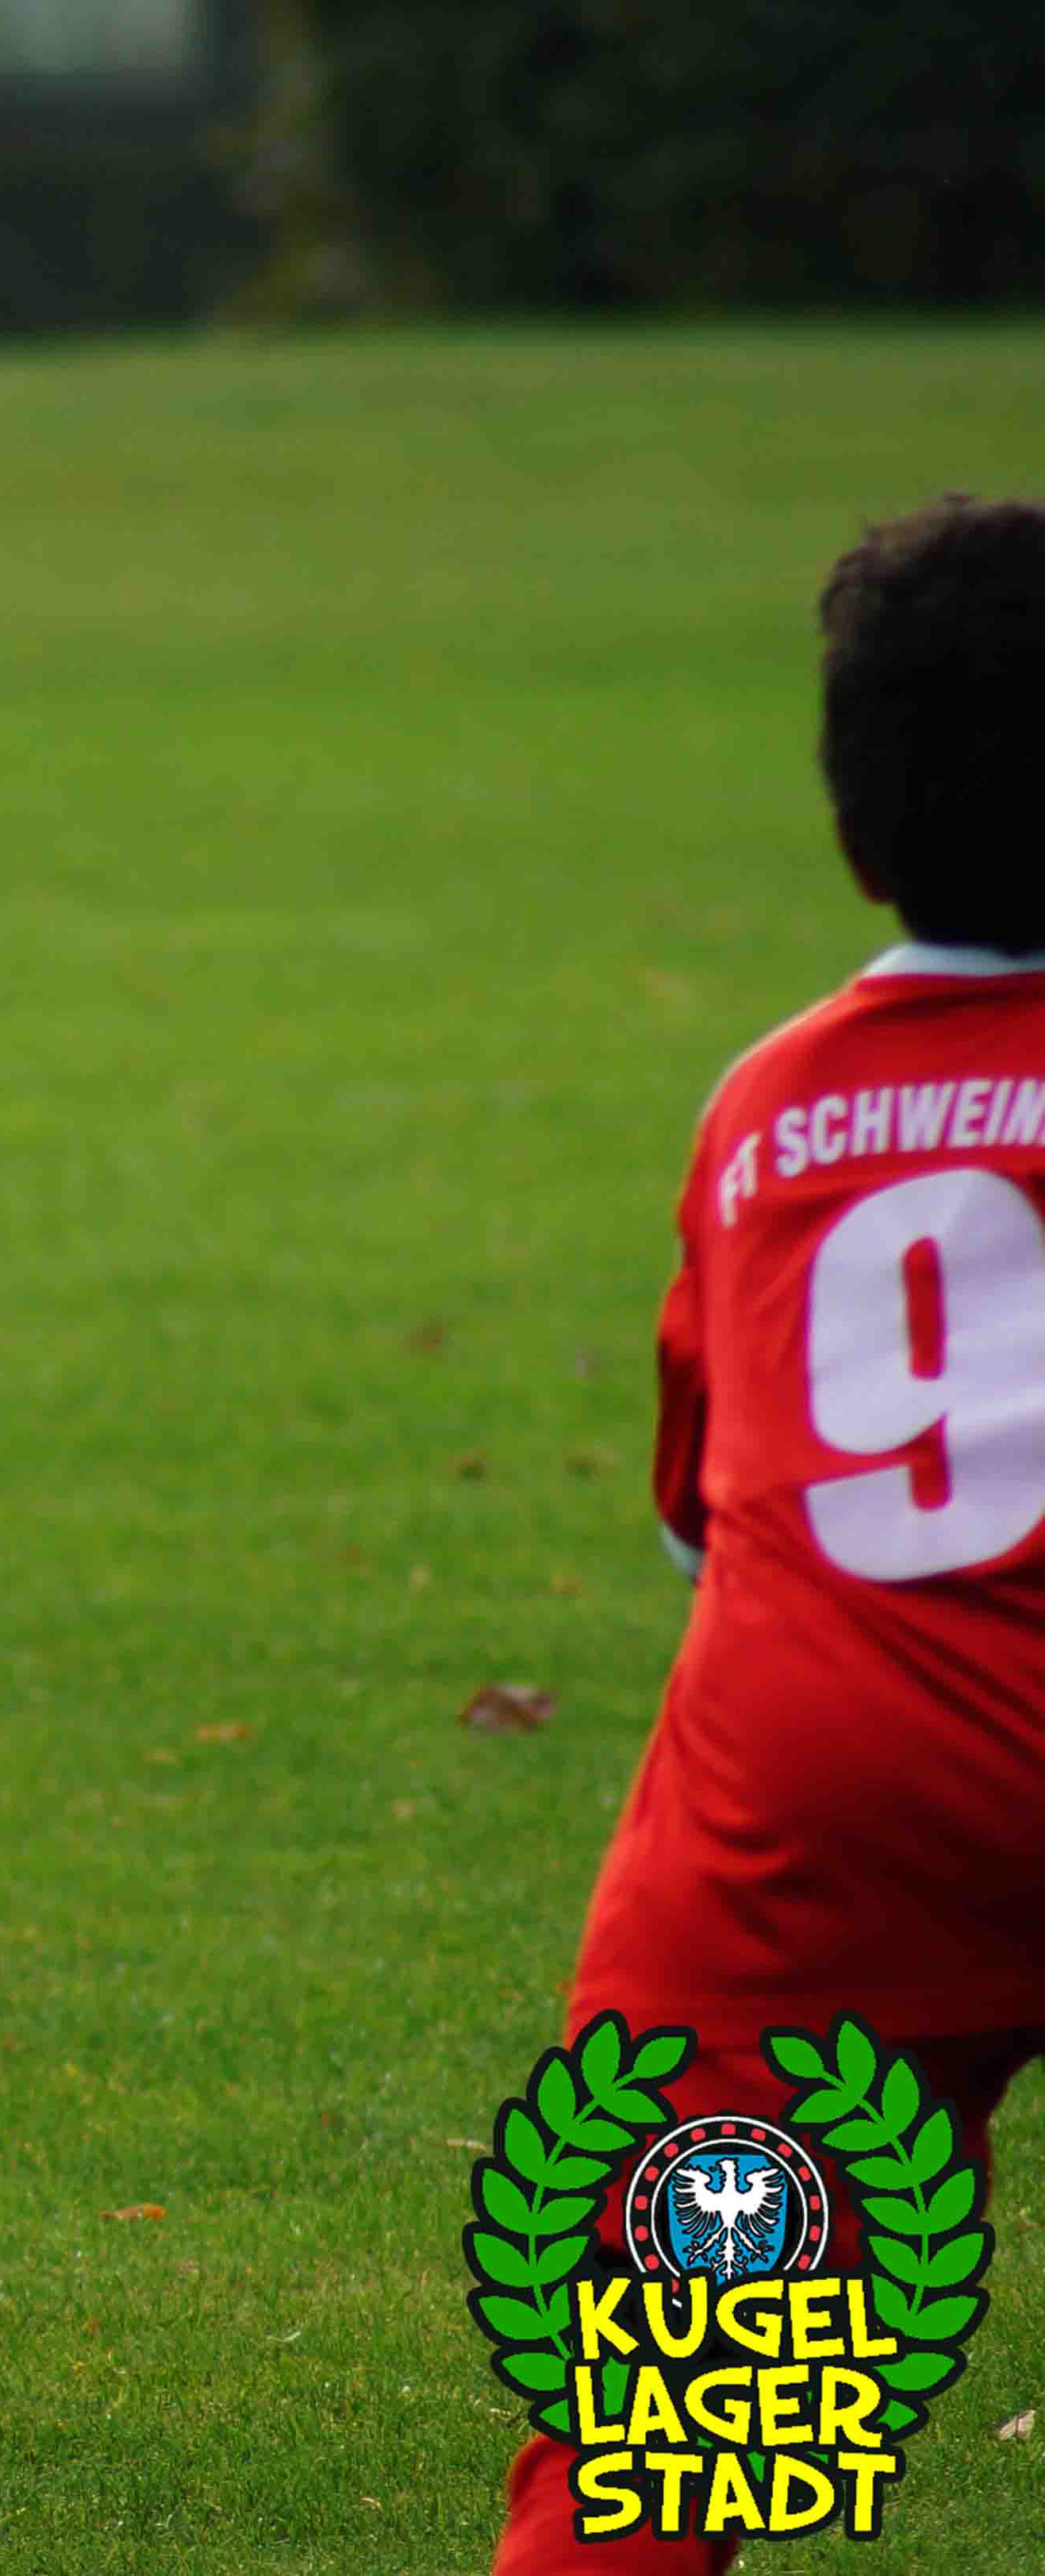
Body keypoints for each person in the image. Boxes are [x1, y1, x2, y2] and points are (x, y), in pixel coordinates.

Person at [490, 495, 1045, 2574]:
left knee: (668, 2440)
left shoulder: (766, 1111)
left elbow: (700, 1523)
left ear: (853, 831)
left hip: (828, 1814)